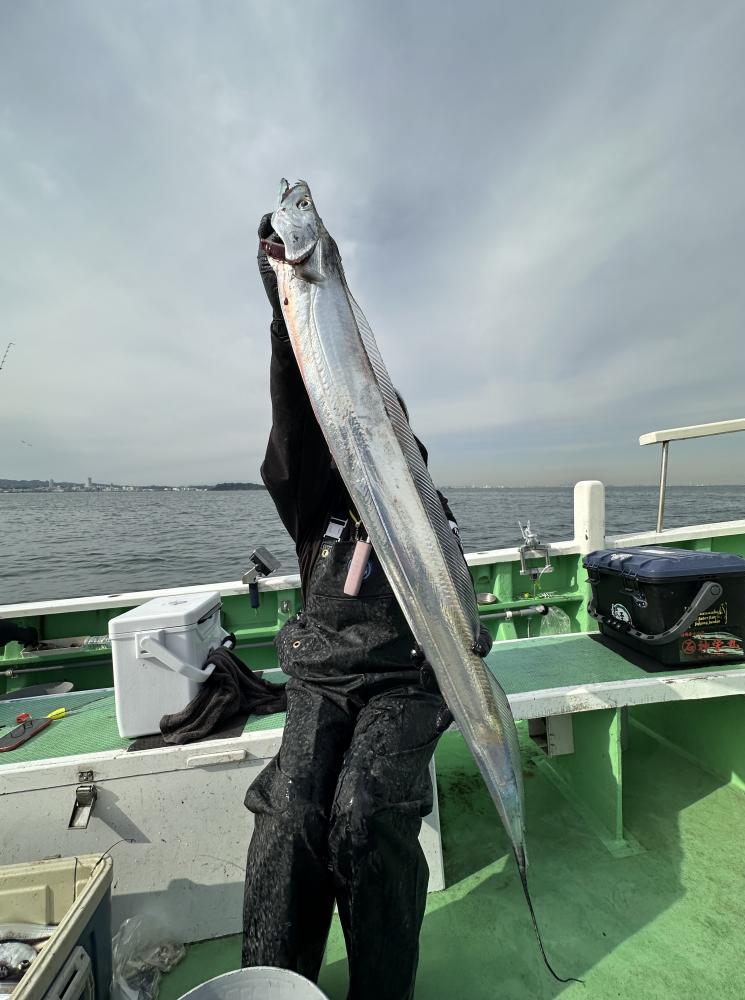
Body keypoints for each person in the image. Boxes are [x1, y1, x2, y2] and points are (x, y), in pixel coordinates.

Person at [242, 214, 490, 1000]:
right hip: (321, 676)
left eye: (394, 425)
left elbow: (462, 620)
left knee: (365, 808)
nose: (378, 435)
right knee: (291, 815)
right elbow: (298, 413)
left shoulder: (433, 518)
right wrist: (286, 300)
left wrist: (469, 648)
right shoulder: (315, 500)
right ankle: (275, 986)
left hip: (408, 682)